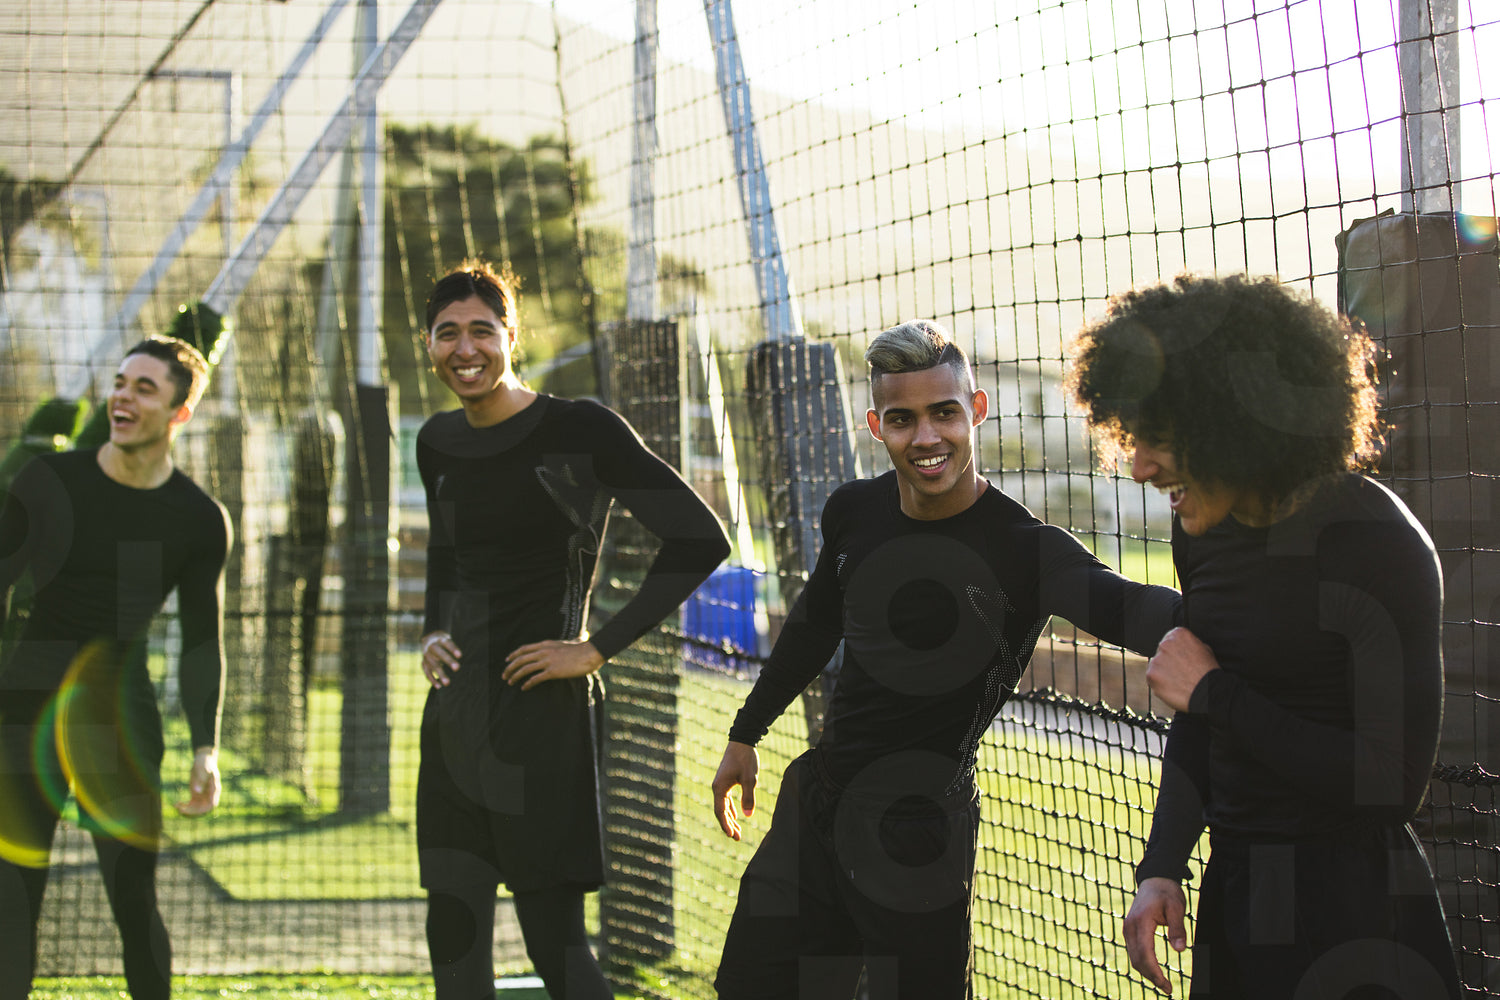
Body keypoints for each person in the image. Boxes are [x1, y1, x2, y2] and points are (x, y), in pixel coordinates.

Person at [710, 319, 1181, 999]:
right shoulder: (854, 511)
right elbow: (814, 625)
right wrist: (746, 733)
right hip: (817, 806)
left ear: (976, 410)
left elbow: (1131, 608)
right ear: (877, 425)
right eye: (902, 419)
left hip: (919, 837)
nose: (926, 437)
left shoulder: (1026, 551)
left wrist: (1242, 614)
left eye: (944, 413)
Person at [1066, 273, 1463, 999]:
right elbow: (1200, 715)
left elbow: (1391, 787)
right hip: (1239, 900)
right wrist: (1162, 865)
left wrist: (1217, 694)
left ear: (1233, 422)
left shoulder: (1377, 542)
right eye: (1133, 435)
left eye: (1161, 439)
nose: (1140, 466)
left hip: (1356, 916)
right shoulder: (1202, 532)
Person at [414, 259, 730, 1000]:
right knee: (453, 942)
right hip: (455, 716)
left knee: (554, 948)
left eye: (482, 331)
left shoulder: (580, 430)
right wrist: (432, 630)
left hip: (540, 717)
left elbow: (699, 539)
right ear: (428, 344)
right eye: (447, 333)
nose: (465, 349)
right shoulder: (436, 441)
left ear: (511, 335)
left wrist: (594, 648)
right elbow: (446, 552)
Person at [0, 335, 230, 1000]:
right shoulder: (48, 481)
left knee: (135, 901)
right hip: (26, 707)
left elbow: (202, 639)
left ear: (179, 413)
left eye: (144, 388)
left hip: (119, 719)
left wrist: (206, 746)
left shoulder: (198, 518)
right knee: (13, 902)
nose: (122, 398)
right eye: (121, 383)